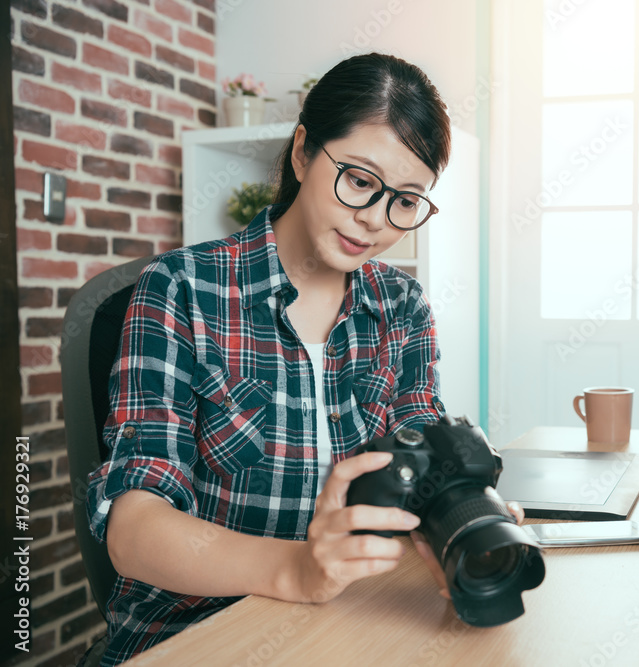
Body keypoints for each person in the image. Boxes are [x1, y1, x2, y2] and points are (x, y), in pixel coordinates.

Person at [86, 53, 520, 666]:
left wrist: (459, 517)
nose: (374, 220)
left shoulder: (402, 307)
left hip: (349, 620)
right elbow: (134, 531)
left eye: (406, 201)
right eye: (361, 181)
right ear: (301, 152)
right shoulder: (181, 290)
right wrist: (295, 569)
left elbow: (420, 458)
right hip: (193, 636)